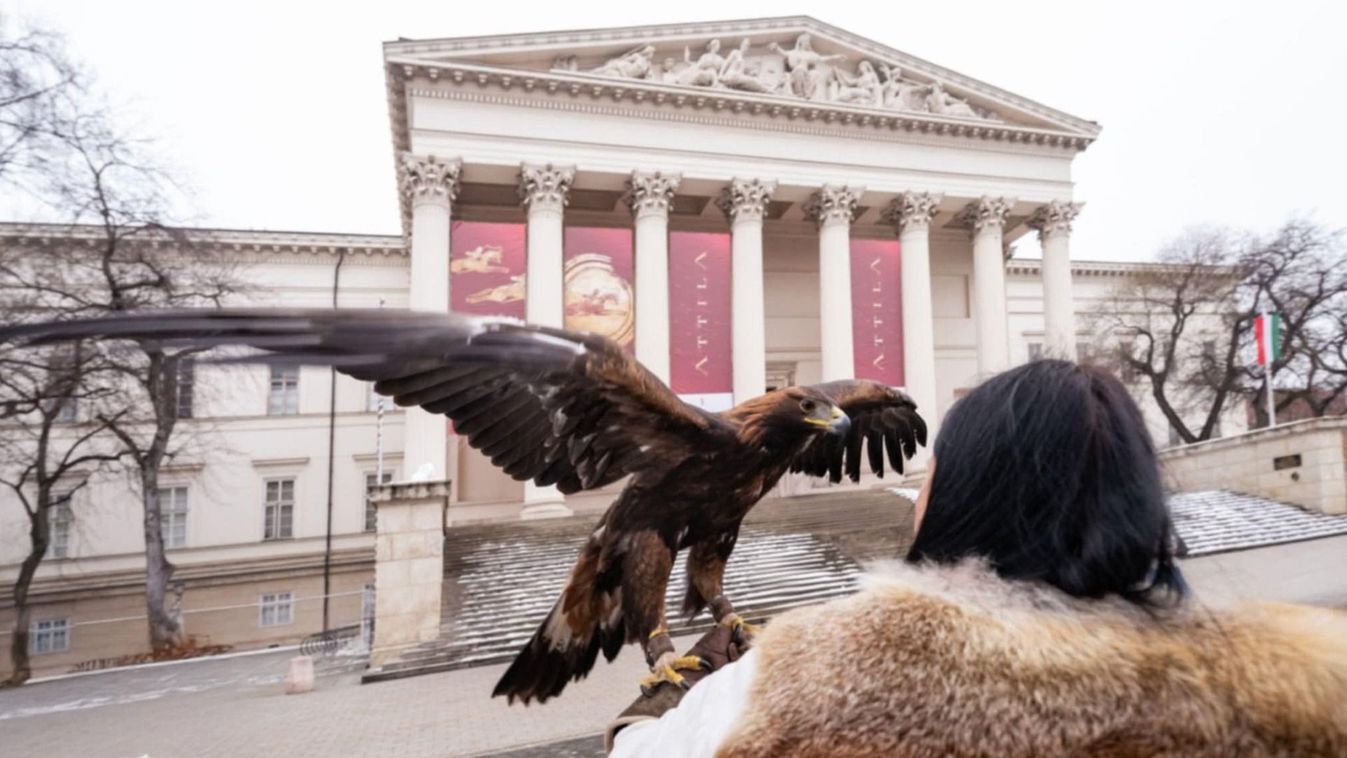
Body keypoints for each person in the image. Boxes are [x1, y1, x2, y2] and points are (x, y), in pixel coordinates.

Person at [606, 360, 1347, 756]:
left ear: (952, 493)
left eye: (932, 469)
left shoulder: (796, 680)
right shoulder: (1300, 696)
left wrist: (675, 693)